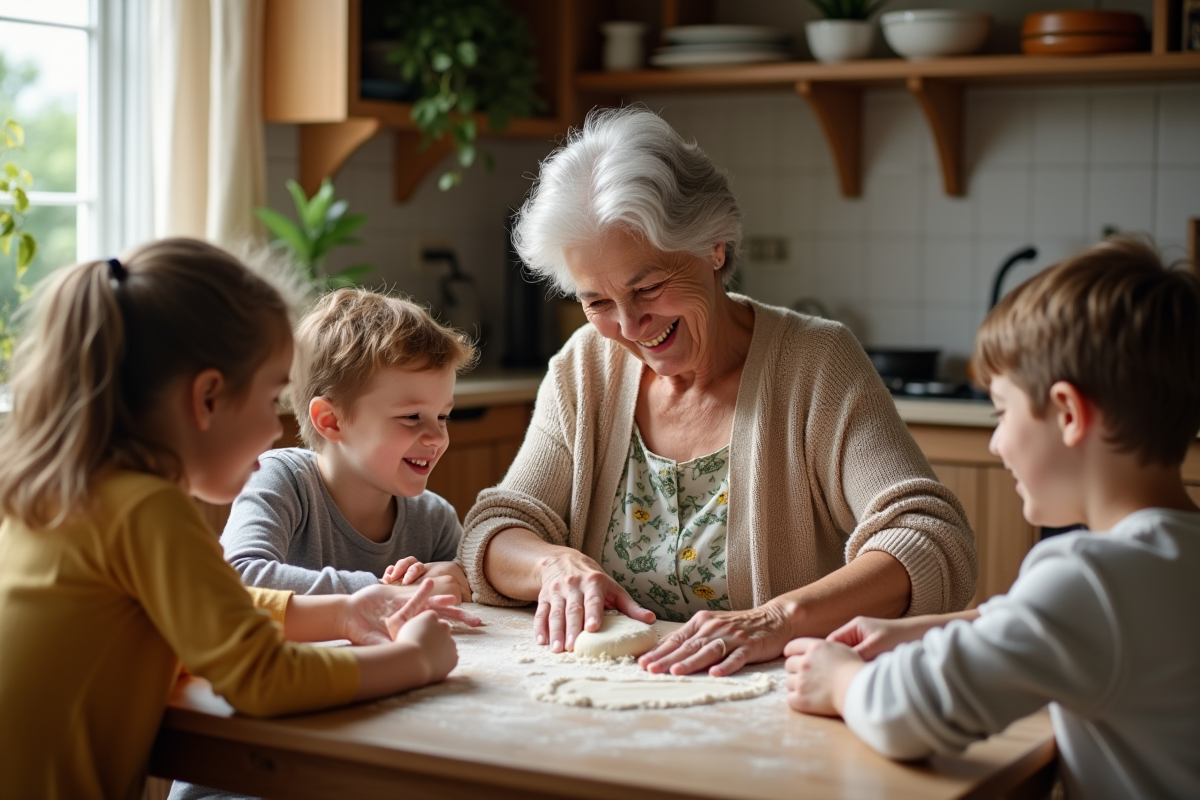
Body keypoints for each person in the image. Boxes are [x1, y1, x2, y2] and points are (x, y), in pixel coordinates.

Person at [459, 106, 978, 677]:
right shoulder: (587, 366)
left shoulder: (815, 363)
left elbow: (930, 538)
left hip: (780, 705)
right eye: (597, 302)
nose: (630, 328)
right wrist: (553, 566)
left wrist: (777, 619)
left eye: (649, 287)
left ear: (715, 247)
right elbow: (494, 530)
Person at [0, 240, 469, 800]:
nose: (278, 429)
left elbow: (215, 604)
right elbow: (261, 679)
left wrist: (342, 611)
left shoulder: (80, 495)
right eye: (271, 398)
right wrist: (414, 660)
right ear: (207, 399)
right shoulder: (145, 509)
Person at [784, 237, 1200, 799]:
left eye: (1001, 412)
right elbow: (1064, 629)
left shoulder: (1089, 577)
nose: (998, 444)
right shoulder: (1166, 560)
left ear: (1069, 413)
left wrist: (840, 681)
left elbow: (907, 715)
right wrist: (917, 630)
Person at [216, 288, 477, 602]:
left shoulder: (433, 520)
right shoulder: (282, 482)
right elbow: (237, 577)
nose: (436, 437)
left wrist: (455, 578)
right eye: (411, 416)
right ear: (330, 421)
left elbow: (473, 587)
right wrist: (385, 593)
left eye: (443, 416)